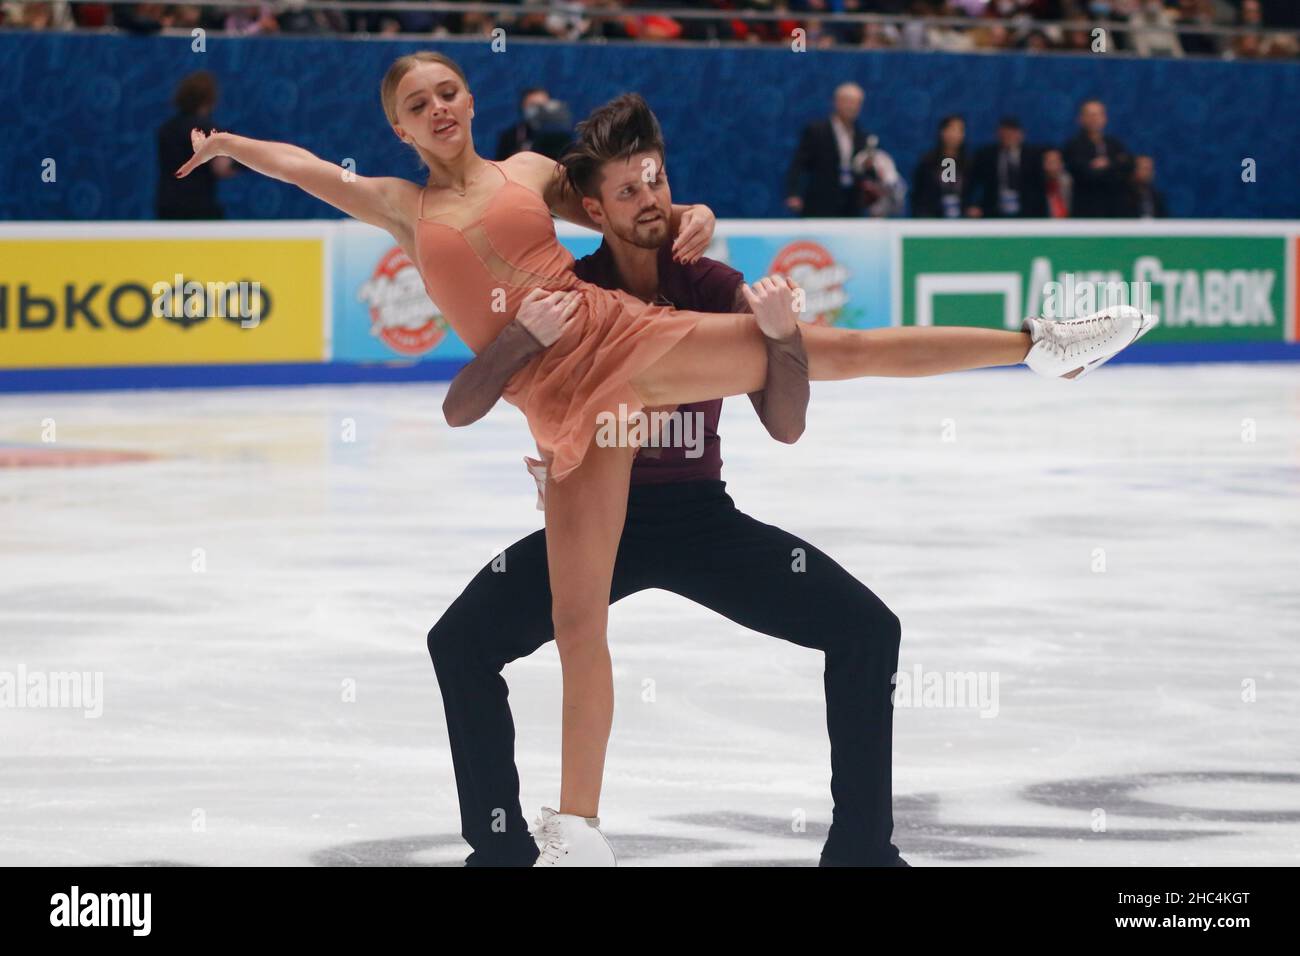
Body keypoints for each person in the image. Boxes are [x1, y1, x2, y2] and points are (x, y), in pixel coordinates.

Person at [175, 50, 1157, 866]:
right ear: (397, 127)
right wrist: (229, 144)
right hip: (552, 400)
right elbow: (309, 169)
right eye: (412, 103)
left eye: (444, 90)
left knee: (831, 350)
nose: (435, 107)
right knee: (572, 617)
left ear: (468, 100)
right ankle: (572, 829)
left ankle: (1039, 344)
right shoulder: (400, 206)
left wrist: (693, 220)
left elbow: (624, 196)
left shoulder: (526, 171)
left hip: (616, 338)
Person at [429, 92, 906, 868]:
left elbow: (785, 425)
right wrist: (526, 364)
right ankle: (500, 849)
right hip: (592, 527)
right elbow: (466, 404)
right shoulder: (572, 297)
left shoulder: (712, 285)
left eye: (658, 182)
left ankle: (861, 852)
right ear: (595, 209)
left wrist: (782, 341)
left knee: (866, 630)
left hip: (699, 520)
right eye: (629, 188)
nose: (649, 198)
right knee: (459, 644)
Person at [156, 71, 238, 220]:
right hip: (199, 206)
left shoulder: (166, 129)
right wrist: (248, 162)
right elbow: (221, 168)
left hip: (168, 205)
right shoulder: (208, 130)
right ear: (210, 98)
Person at [784, 82, 872, 218]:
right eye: (847, 101)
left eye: (856, 103)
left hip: (851, 203)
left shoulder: (863, 136)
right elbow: (798, 165)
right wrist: (793, 193)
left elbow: (865, 172)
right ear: (836, 102)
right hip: (821, 201)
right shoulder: (817, 131)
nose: (851, 107)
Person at [1062, 98, 1134, 218]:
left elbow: (1128, 166)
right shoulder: (1074, 145)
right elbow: (1084, 173)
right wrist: (1114, 166)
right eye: (1090, 115)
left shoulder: (1114, 144)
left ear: (1105, 118)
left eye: (1098, 114)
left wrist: (1107, 164)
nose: (1094, 118)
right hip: (1087, 210)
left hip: (1116, 210)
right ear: (1080, 119)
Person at [966, 116, 1048, 218]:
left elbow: (1040, 188)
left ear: (1021, 135)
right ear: (998, 134)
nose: (1008, 137)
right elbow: (973, 183)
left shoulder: (1033, 156)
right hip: (993, 213)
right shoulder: (986, 155)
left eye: (1012, 133)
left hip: (1027, 214)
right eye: (1004, 134)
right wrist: (973, 205)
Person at [911, 114, 970, 218]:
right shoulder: (928, 162)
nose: (954, 135)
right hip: (933, 219)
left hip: (963, 220)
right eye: (951, 129)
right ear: (942, 132)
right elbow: (919, 195)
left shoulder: (969, 163)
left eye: (959, 130)